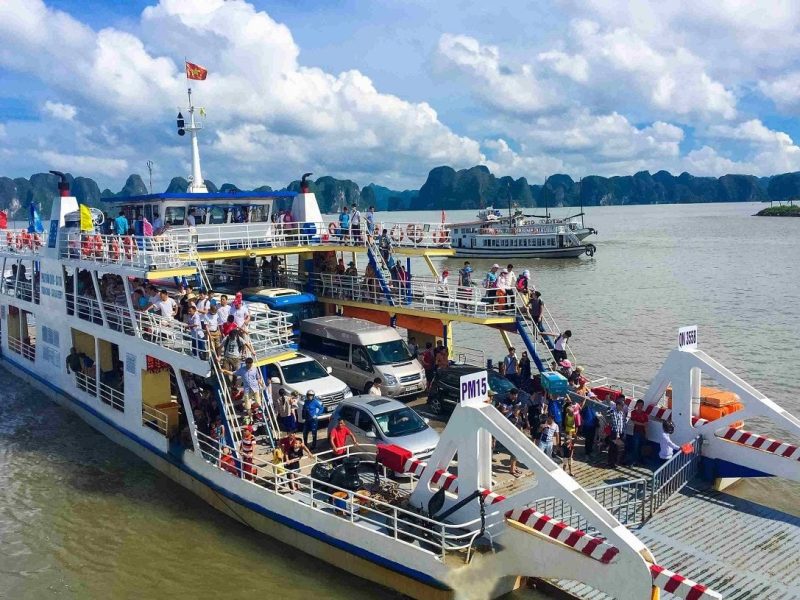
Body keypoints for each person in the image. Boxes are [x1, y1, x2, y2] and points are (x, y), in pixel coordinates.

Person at [607, 398, 628, 467]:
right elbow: (615, 423)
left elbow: (622, 422)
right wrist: (618, 434)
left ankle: (615, 462)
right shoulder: (614, 412)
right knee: (613, 448)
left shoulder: (620, 412)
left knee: (618, 448)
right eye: (622, 406)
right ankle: (611, 463)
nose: (623, 407)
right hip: (615, 433)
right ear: (618, 405)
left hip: (620, 432)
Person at [628, 399, 649, 465]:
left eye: (641, 405)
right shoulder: (633, 412)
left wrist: (646, 434)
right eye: (639, 405)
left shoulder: (644, 413)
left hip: (643, 433)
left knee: (641, 447)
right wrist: (642, 424)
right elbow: (634, 422)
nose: (640, 406)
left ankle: (641, 460)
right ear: (636, 405)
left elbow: (646, 424)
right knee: (635, 447)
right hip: (636, 432)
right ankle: (633, 461)